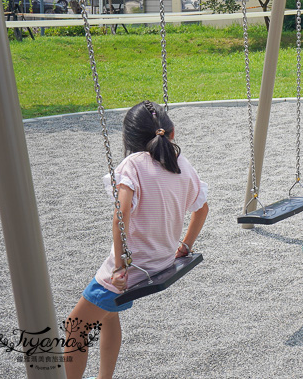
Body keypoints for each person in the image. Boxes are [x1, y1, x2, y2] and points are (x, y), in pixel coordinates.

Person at [65, 101, 209, 379]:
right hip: (161, 262)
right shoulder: (182, 165)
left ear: (129, 140)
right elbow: (202, 209)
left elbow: (121, 216)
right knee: (107, 315)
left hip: (130, 272)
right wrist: (185, 246)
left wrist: (119, 266)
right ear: (172, 132)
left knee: (75, 327)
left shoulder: (132, 165)